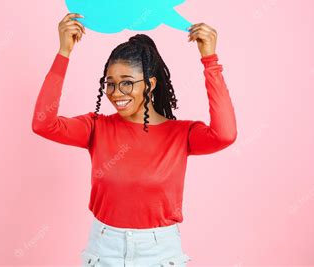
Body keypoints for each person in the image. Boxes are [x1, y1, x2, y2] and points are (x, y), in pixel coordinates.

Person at [31, 13, 237, 267]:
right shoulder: (96, 128)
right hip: (104, 249)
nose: (117, 93)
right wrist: (64, 52)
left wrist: (210, 60)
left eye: (127, 83)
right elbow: (43, 123)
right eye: (110, 84)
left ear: (149, 84)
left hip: (159, 253)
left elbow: (225, 134)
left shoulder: (180, 134)